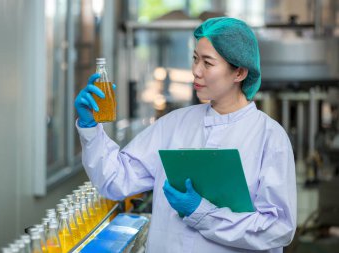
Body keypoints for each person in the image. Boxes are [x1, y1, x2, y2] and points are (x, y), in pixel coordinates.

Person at [74, 17, 296, 253]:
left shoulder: (269, 137)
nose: (195, 71)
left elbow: (278, 228)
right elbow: (116, 180)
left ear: (239, 72)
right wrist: (90, 128)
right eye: (195, 59)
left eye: (208, 63)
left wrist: (202, 213)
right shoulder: (173, 125)